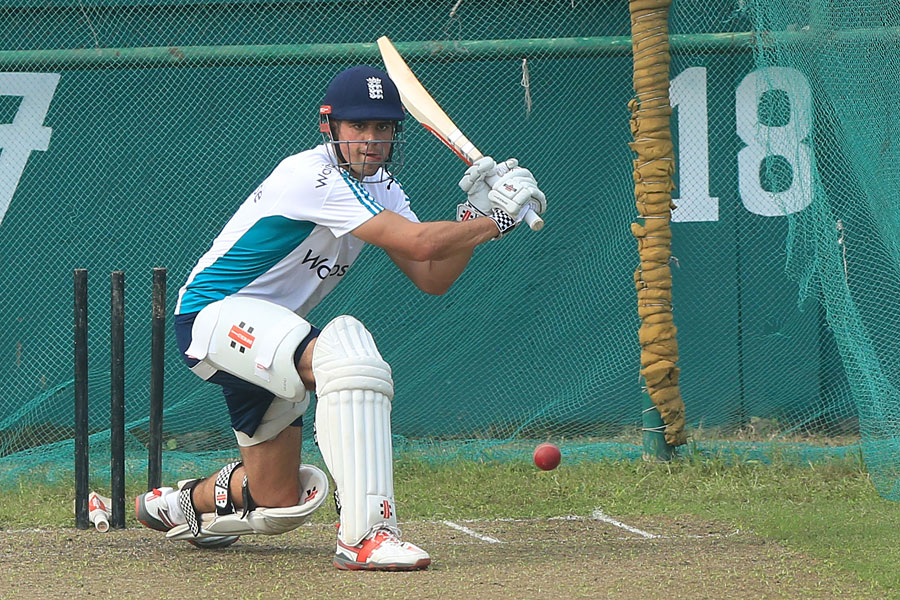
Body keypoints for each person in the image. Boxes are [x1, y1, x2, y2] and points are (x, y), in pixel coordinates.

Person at [134, 65, 546, 571]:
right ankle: (368, 535)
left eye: (383, 128)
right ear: (330, 126)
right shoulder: (313, 175)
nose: (370, 140)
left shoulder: (386, 190)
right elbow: (419, 242)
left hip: (272, 337)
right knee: (348, 357)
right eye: (358, 127)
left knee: (279, 499)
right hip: (213, 317)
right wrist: (495, 220)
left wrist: (470, 218)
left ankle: (182, 503)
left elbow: (432, 275)